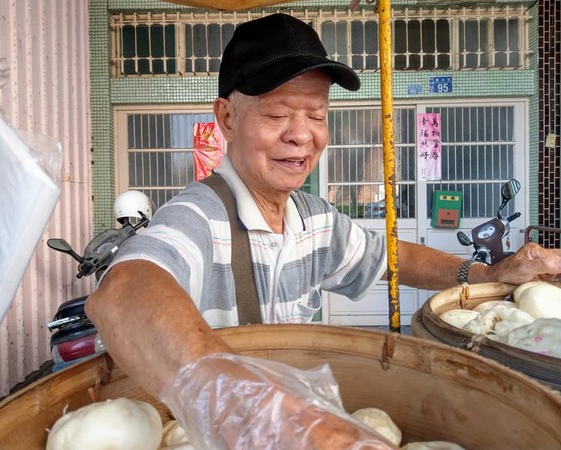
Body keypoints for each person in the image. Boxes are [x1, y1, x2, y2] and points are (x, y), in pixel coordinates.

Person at [86, 13, 561, 449]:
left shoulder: (313, 218)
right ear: (227, 118)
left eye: (316, 115)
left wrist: (484, 273)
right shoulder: (198, 216)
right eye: (277, 115)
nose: (301, 134)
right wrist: (249, 405)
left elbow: (390, 256)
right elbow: (123, 291)